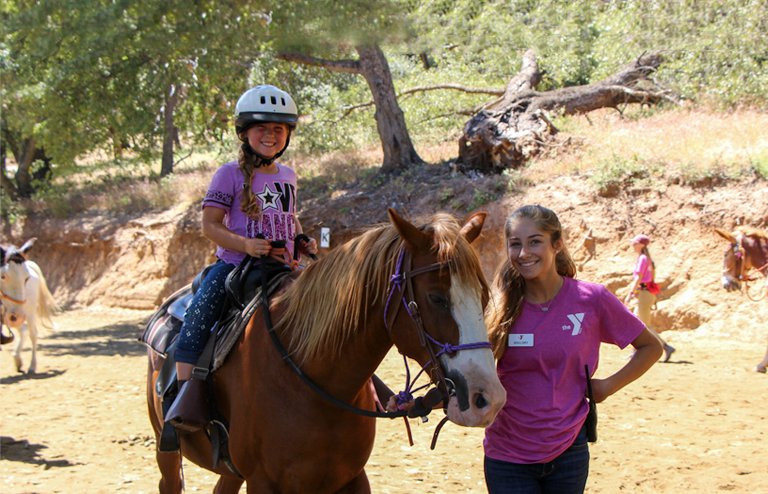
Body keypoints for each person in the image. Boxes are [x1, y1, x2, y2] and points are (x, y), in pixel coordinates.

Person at [483, 205, 663, 494]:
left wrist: (607, 386)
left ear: (558, 244)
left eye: (535, 241)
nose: (523, 253)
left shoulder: (591, 299)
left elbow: (651, 347)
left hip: (569, 452)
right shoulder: (499, 307)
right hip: (507, 457)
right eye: (515, 244)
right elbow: (470, 374)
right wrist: (424, 401)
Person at [174, 84, 318, 388]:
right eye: (261, 128)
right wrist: (246, 245)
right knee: (199, 317)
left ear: (288, 134)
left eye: (278, 128)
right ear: (244, 133)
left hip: (284, 267)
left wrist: (301, 239)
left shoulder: (288, 175)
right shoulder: (228, 174)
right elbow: (209, 225)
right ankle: (182, 397)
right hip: (235, 266)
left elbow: (289, 217)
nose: (270, 135)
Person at [623, 234, 675, 363]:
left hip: (644, 294)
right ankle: (636, 351)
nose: (633, 245)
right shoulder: (648, 259)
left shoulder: (642, 259)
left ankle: (665, 346)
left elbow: (638, 278)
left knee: (643, 325)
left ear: (642, 245)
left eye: (636, 243)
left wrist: (630, 293)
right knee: (637, 322)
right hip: (646, 293)